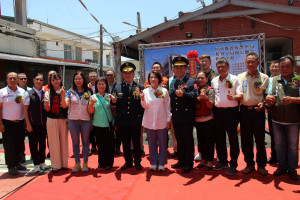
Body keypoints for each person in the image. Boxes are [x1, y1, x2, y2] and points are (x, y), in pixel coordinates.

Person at [265, 55, 300, 180]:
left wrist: (294, 99)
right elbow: (268, 95)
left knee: (292, 146)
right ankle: (281, 166)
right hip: (277, 119)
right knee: (279, 144)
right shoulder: (274, 80)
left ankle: (292, 168)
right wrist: (268, 99)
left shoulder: (298, 79)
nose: (285, 69)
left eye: (287, 66)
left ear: (293, 67)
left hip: (293, 119)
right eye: (282, 66)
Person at [238, 52, 269, 176]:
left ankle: (261, 165)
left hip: (258, 111)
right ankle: (249, 164)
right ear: (245, 63)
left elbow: (267, 94)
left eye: (253, 62)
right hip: (244, 111)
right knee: (246, 140)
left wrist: (264, 102)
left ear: (257, 63)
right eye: (248, 62)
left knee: (260, 140)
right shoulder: (239, 77)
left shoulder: (264, 78)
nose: (250, 64)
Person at [211, 57, 242, 175]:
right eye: (219, 67)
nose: (221, 69)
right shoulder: (214, 80)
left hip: (231, 112)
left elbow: (240, 94)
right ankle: (223, 161)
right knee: (219, 138)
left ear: (228, 67)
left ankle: (233, 163)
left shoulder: (235, 79)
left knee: (233, 139)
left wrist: (234, 97)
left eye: (223, 66)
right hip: (218, 112)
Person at [113, 62, 144, 170]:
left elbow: (142, 106)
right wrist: (113, 102)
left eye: (130, 72)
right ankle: (128, 161)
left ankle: (138, 162)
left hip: (135, 120)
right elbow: (114, 104)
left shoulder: (140, 87)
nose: (128, 75)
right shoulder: (117, 87)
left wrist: (142, 121)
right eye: (125, 73)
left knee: (136, 143)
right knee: (125, 143)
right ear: (122, 74)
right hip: (123, 121)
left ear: (133, 74)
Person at [168, 56, 197, 174]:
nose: (179, 70)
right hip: (176, 116)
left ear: (186, 68)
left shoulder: (191, 81)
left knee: (188, 140)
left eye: (181, 67)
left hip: (186, 117)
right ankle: (181, 160)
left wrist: (184, 94)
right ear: (173, 69)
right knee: (179, 140)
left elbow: (195, 96)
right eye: (176, 67)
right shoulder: (173, 82)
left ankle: (189, 164)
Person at [140, 71, 171, 171]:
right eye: (151, 77)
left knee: (162, 144)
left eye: (155, 77)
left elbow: (167, 106)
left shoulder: (164, 91)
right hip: (150, 121)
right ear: (149, 79)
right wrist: (142, 99)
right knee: (152, 144)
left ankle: (161, 163)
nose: (153, 79)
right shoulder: (145, 91)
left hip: (161, 120)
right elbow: (145, 106)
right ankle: (153, 162)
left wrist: (168, 120)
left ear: (159, 79)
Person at [0, 72, 29, 175]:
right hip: (7, 123)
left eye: (14, 78)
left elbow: (25, 109)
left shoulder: (22, 92)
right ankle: (11, 165)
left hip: (20, 123)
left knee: (19, 144)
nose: (12, 80)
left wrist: (26, 122)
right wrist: (0, 124)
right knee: (9, 146)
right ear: (7, 80)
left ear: (17, 80)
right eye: (10, 78)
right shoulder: (2, 92)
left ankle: (17, 163)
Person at [65, 71, 91, 172]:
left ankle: (85, 162)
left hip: (85, 120)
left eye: (79, 79)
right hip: (73, 120)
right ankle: (77, 163)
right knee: (75, 143)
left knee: (85, 143)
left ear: (83, 80)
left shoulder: (88, 91)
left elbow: (91, 106)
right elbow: (66, 102)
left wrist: (91, 122)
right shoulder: (70, 92)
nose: (78, 81)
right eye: (76, 79)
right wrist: (65, 99)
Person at [194, 54, 218, 161]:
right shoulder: (197, 76)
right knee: (201, 135)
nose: (204, 63)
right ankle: (201, 153)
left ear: (210, 62)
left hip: (213, 106)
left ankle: (215, 154)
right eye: (202, 61)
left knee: (213, 134)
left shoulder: (215, 75)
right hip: (200, 111)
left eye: (206, 61)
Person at [88, 77, 115, 170]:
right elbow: (90, 111)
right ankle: (101, 162)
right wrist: (91, 104)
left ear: (106, 85)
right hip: (97, 124)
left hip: (108, 124)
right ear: (96, 86)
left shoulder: (110, 96)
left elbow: (113, 110)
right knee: (100, 145)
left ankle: (109, 163)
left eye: (103, 84)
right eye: (99, 84)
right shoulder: (93, 97)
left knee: (109, 145)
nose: (101, 86)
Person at [24, 73, 49, 173]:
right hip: (33, 124)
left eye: (41, 80)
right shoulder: (28, 93)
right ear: (33, 80)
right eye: (37, 79)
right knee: (33, 144)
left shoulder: (45, 93)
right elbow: (25, 110)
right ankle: (36, 164)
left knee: (42, 144)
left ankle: (42, 162)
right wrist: (28, 123)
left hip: (43, 124)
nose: (39, 81)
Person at [44, 72, 68, 173]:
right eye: (53, 80)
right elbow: (47, 109)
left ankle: (63, 164)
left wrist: (62, 96)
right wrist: (46, 104)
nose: (55, 81)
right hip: (51, 119)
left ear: (60, 80)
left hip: (62, 119)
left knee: (63, 141)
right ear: (50, 81)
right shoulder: (47, 92)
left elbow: (65, 106)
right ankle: (55, 165)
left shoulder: (65, 91)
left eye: (57, 79)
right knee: (53, 142)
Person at [194, 71, 215, 171]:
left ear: (207, 79)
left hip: (208, 119)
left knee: (209, 141)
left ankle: (210, 160)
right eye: (198, 78)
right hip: (197, 120)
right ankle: (203, 159)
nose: (200, 80)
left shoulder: (210, 90)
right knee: (200, 141)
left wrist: (205, 98)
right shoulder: (195, 90)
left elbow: (211, 105)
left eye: (202, 78)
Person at [266, 61, 280, 164]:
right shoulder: (268, 79)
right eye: (272, 66)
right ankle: (274, 155)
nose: (274, 68)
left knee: (281, 136)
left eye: (276, 66)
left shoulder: (282, 80)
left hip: (281, 110)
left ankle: (282, 158)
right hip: (271, 110)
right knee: (273, 135)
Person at [105, 70, 121, 155]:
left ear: (114, 76)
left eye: (111, 75)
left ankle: (117, 147)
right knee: (108, 130)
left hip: (116, 110)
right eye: (108, 75)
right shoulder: (103, 86)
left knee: (117, 130)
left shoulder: (118, 86)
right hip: (106, 111)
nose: (109, 76)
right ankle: (110, 147)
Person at [17, 73, 31, 163]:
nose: (23, 80)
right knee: (20, 138)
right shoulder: (16, 91)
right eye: (21, 79)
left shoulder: (30, 91)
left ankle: (34, 155)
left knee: (31, 138)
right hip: (19, 117)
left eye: (25, 78)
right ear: (18, 80)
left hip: (30, 118)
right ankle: (21, 155)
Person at [88, 71, 98, 153]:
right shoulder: (86, 87)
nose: (93, 78)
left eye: (94, 76)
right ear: (89, 78)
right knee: (91, 128)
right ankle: (93, 145)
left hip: (99, 109)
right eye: (91, 76)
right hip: (90, 109)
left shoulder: (100, 85)